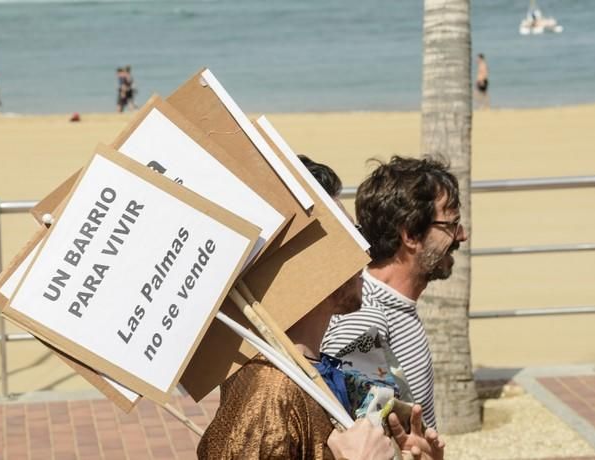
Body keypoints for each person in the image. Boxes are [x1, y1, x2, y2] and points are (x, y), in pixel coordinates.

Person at [198, 157, 445, 460]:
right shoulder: (270, 391)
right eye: (349, 235)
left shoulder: (318, 373)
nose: (365, 249)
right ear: (303, 261)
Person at [322, 156, 468, 430]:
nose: (461, 235)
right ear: (411, 235)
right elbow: (362, 439)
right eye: (451, 225)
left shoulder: (392, 310)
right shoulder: (364, 319)